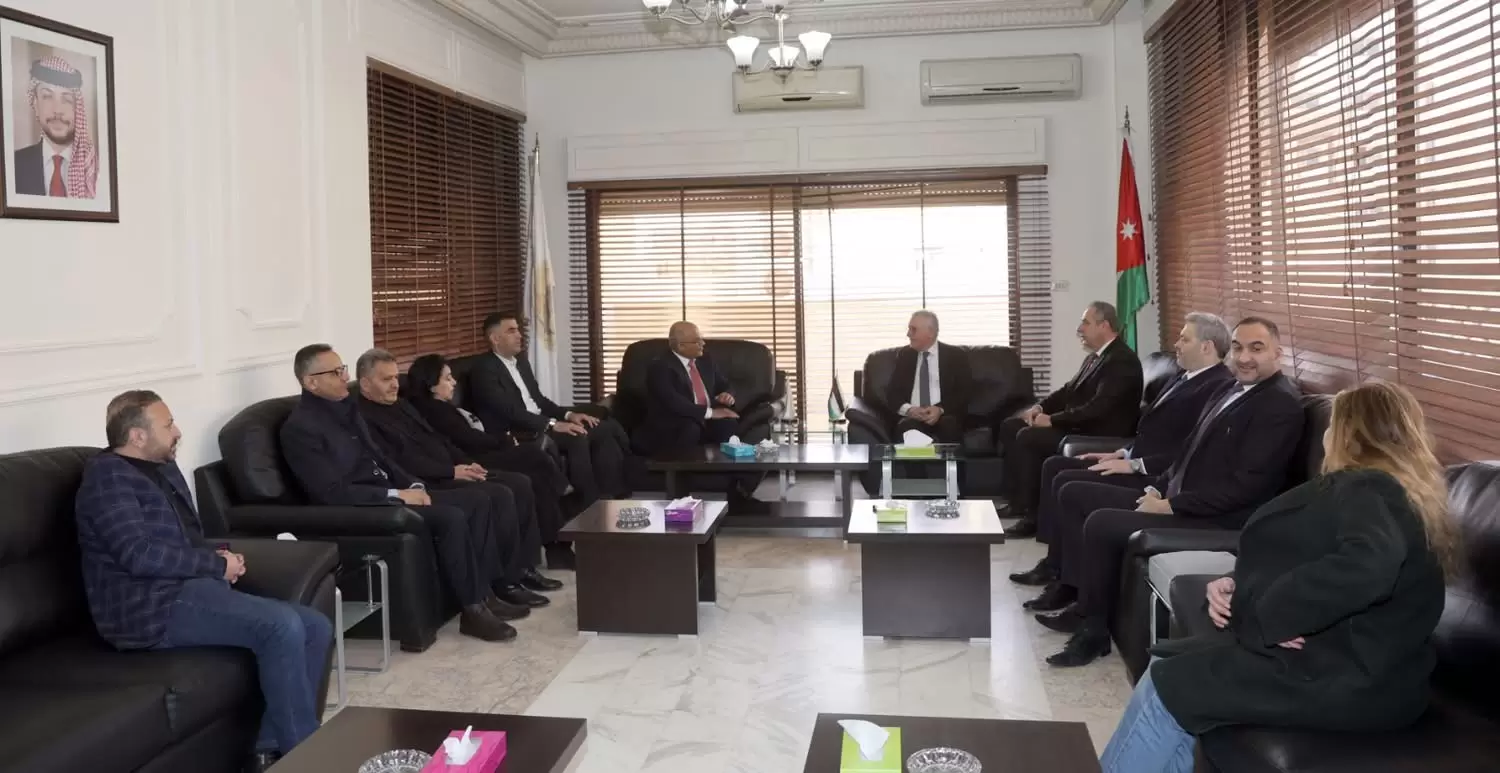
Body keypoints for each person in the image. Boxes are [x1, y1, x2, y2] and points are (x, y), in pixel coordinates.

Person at [1100, 381, 1457, 773]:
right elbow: (1321, 556)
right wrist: (1239, 582)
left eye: (1332, 425)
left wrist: (1274, 614)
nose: (1325, 435)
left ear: (1349, 435)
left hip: (1351, 678)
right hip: (1356, 666)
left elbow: (1370, 564)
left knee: (1171, 685)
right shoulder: (1398, 493)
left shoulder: (1369, 486)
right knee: (1165, 670)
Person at [74, 391, 331, 770]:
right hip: (147, 607)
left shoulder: (161, 467)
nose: (177, 431)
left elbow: (188, 537)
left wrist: (223, 557)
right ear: (137, 436)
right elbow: (138, 554)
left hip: (184, 588)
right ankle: (306, 759)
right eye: (167, 425)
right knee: (281, 626)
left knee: (315, 627)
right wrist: (212, 565)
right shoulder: (108, 479)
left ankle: (269, 749)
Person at [1036, 317, 1305, 667]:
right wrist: (1158, 485)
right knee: (1079, 496)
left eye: (1257, 348)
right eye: (1238, 347)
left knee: (1102, 523)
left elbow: (1248, 487)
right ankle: (1079, 603)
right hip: (1181, 497)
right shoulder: (1232, 389)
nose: (1243, 357)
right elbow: (1188, 452)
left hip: (1221, 518)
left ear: (1277, 353)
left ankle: (1093, 631)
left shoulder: (1279, 405)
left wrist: (1170, 506)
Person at [278, 344, 527, 642]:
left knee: (477, 499)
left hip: (392, 491)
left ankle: (485, 594)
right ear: (311, 382)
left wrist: (414, 485)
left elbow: (383, 459)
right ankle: (473, 610)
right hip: (365, 507)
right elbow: (331, 492)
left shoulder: (346, 409)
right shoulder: (300, 429)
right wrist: (396, 495)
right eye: (335, 372)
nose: (345, 377)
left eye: (342, 369)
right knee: (451, 516)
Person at [1009, 311, 1233, 563]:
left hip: (1156, 475)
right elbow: (1154, 432)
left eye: (1184, 339)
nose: (1176, 344)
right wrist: (1123, 452)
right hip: (1136, 459)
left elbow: (1189, 449)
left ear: (1206, 347)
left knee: (1068, 485)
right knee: (1056, 466)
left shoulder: (1216, 386)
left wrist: (1135, 464)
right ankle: (1054, 562)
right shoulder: (1184, 376)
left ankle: (1058, 570)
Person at [353, 349, 561, 599]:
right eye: (386, 379)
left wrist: (466, 463)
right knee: (499, 493)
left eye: (396, 377)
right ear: (365, 384)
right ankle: (503, 584)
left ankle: (523, 569)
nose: (395, 384)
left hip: (449, 469)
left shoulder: (402, 405)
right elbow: (400, 462)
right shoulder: (363, 417)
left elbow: (439, 440)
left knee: (520, 483)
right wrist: (450, 471)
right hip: (425, 481)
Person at [405, 353, 578, 570]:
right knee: (532, 457)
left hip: (477, 452)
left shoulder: (442, 406)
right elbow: (468, 439)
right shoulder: (433, 410)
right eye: (448, 378)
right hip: (472, 459)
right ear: (431, 385)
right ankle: (561, 496)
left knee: (535, 467)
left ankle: (557, 532)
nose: (454, 382)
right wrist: (504, 440)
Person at [996, 302, 1144, 526]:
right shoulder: (1095, 357)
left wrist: (1053, 420)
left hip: (1099, 432)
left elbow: (1098, 408)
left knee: (1030, 437)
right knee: (1011, 425)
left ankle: (1033, 516)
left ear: (1104, 326)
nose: (1079, 329)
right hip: (1082, 423)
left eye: (1085, 323)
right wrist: (1040, 408)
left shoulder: (1122, 361)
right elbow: (1068, 391)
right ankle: (1018, 501)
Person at [467, 313, 632, 505]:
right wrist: (552, 424)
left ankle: (614, 497)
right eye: (512, 331)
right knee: (577, 437)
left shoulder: (520, 362)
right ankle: (587, 504)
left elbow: (539, 400)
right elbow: (509, 411)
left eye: (518, 330)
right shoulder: (483, 369)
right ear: (495, 338)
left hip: (539, 420)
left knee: (602, 427)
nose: (519, 335)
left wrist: (569, 415)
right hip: (519, 430)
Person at [634, 321, 740, 454]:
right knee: (690, 428)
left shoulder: (705, 360)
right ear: (681, 346)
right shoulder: (660, 367)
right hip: (677, 421)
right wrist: (712, 413)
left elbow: (725, 385)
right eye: (697, 341)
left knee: (728, 423)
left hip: (704, 419)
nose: (703, 343)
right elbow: (674, 402)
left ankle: (722, 465)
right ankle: (684, 465)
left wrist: (727, 394)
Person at [14, 56, 98, 198]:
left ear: (77, 108)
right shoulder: (14, 166)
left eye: (67, 99)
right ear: (35, 104)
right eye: (47, 97)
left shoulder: (93, 169)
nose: (57, 110)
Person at [883, 310, 972, 444]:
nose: (908, 334)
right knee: (905, 427)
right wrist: (909, 410)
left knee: (950, 425)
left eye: (913, 329)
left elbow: (964, 391)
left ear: (930, 332)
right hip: (913, 417)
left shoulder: (956, 355)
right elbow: (892, 393)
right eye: (909, 329)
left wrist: (940, 409)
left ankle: (951, 459)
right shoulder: (905, 355)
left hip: (944, 415)